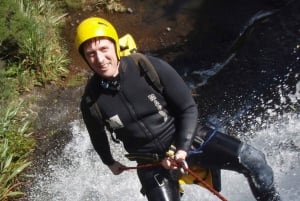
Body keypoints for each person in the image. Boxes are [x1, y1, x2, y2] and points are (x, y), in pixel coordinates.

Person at [75, 17, 281, 201]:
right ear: (85, 58)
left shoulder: (147, 67)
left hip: (188, 140)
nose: (100, 59)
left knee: (255, 161)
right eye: (91, 54)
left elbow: (188, 108)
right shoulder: (91, 102)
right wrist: (109, 162)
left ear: (115, 47)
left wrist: (181, 149)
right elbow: (97, 136)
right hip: (151, 163)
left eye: (104, 49)